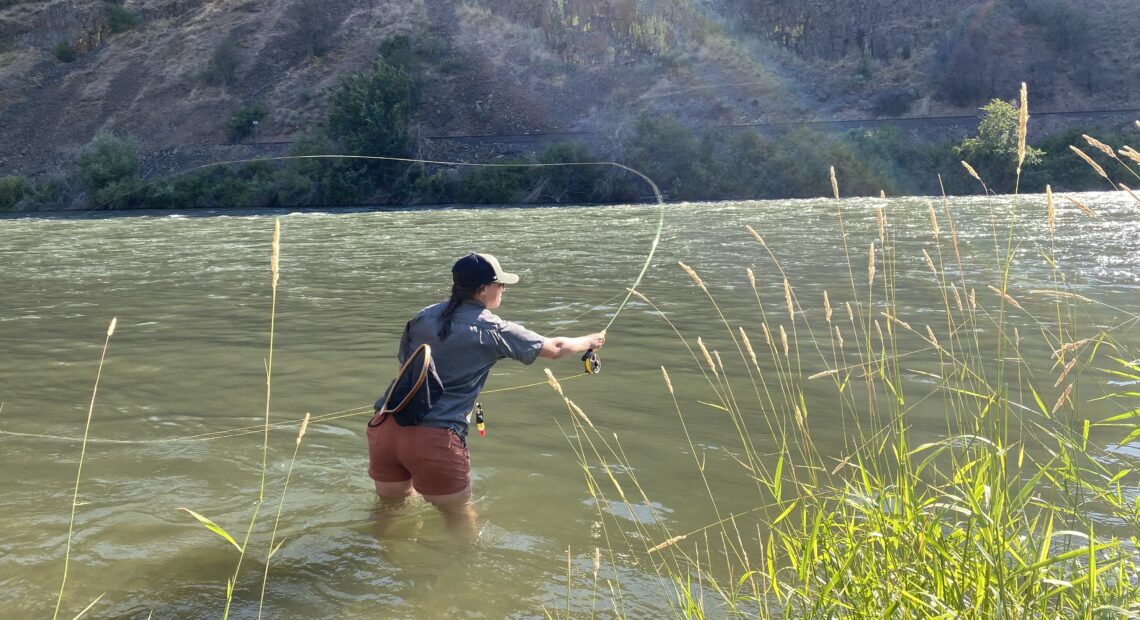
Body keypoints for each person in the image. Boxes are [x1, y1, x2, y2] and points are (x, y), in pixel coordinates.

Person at [367, 252, 605, 538]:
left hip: (385, 427)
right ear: (484, 289)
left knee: (388, 511)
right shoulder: (492, 328)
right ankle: (464, 576)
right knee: (459, 518)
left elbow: (402, 370)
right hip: (435, 439)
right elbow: (555, 348)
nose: (503, 290)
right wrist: (590, 341)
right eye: (501, 285)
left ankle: (376, 559)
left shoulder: (422, 317)